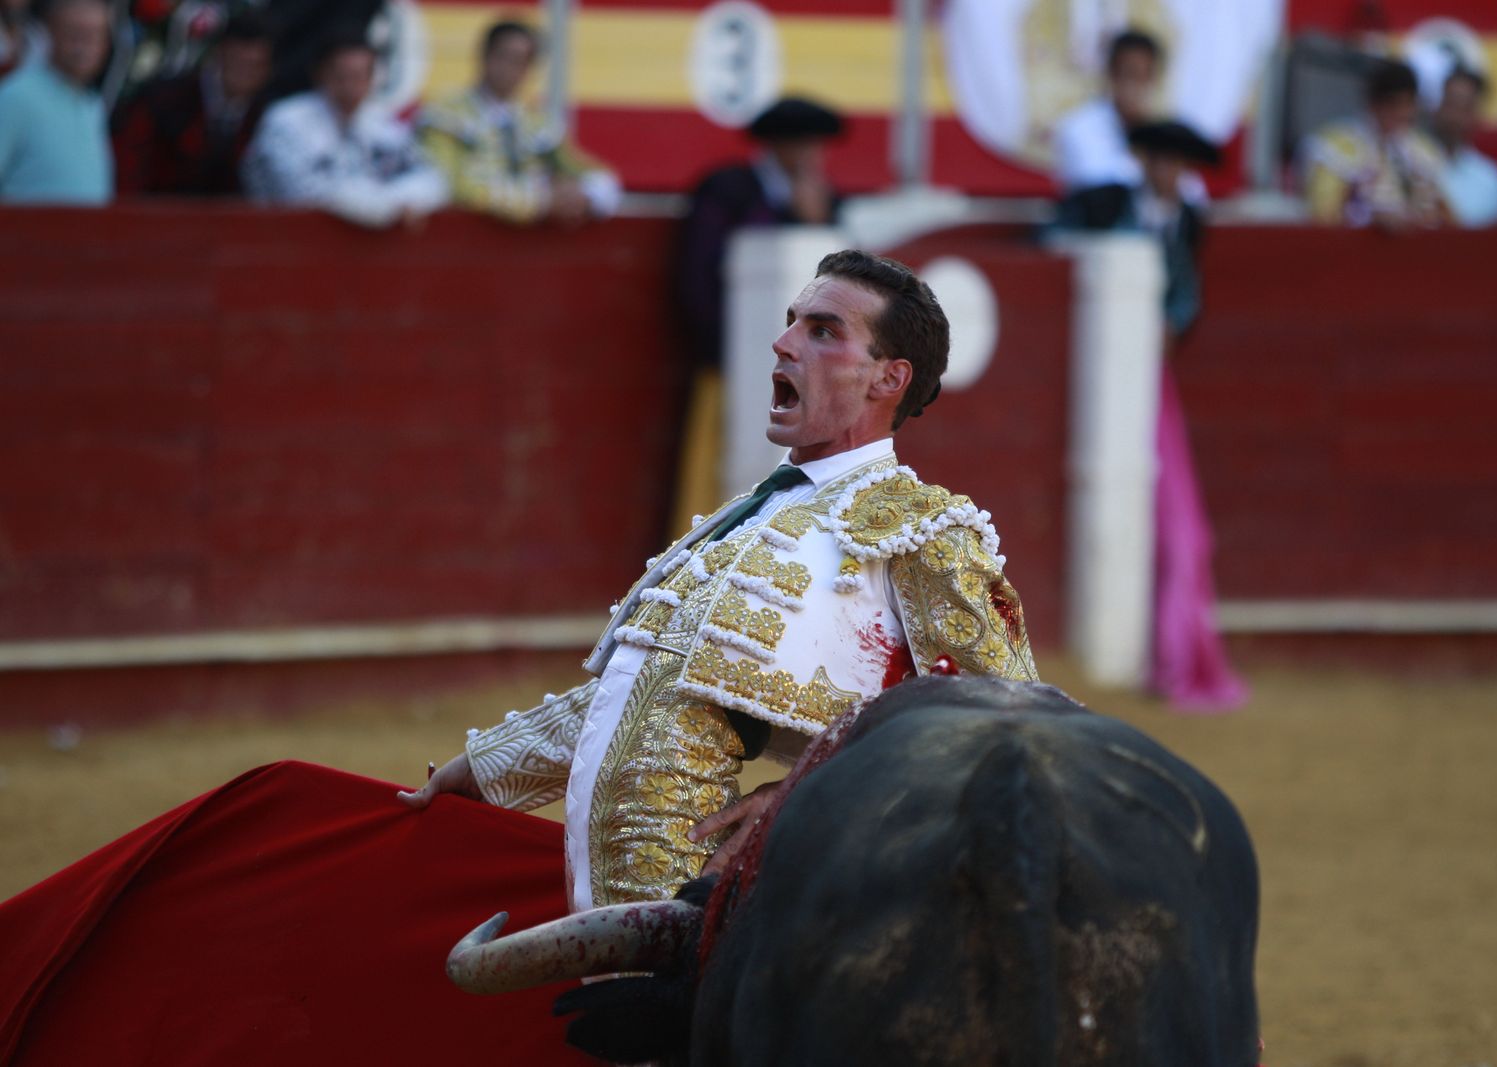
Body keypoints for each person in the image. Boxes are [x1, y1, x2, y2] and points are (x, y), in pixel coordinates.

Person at [401, 250, 1041, 912]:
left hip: (717, 912)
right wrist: (484, 767)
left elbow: (1014, 728)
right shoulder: (751, 516)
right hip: (605, 903)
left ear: (889, 377)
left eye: (824, 331)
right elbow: (644, 692)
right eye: (793, 321)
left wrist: (806, 798)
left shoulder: (921, 530)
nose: (784, 342)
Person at [1055, 121, 1247, 713]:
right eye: (1159, 160)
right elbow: (1054, 248)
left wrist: (1170, 324)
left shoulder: (1187, 221)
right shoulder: (1101, 203)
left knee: (1181, 526)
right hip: (1097, 372)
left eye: (1177, 164)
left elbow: (1187, 295)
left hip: (1149, 379)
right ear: (1142, 162)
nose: (1167, 172)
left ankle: (1172, 654)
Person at [672, 95, 846, 529]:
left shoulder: (827, 200)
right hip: (731, 360)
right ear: (776, 145)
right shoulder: (728, 191)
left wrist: (817, 224)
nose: (812, 156)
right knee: (721, 457)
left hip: (803, 373)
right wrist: (722, 354)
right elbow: (697, 277)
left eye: (816, 145)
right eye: (802, 144)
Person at [416, 19, 619, 225]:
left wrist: (584, 195)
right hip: (466, 234)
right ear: (485, 56)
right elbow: (449, 182)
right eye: (504, 56)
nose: (510, 68)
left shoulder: (536, 120)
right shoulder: (446, 112)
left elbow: (584, 170)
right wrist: (540, 202)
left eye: (521, 61)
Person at [241, 27, 446, 228]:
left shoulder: (382, 125)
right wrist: (384, 207)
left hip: (361, 243)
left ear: (372, 78)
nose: (350, 87)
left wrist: (388, 204)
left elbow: (430, 181)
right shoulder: (285, 120)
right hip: (281, 239)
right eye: (341, 76)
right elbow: (299, 191)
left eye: (359, 76)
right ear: (320, 74)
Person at [111, 11, 274, 197]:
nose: (245, 75)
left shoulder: (264, 114)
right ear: (220, 53)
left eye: (255, 66)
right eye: (239, 63)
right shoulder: (165, 98)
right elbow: (129, 168)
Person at [1052, 29, 1205, 205]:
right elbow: (1099, 185)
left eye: (1146, 76)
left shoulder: (1161, 132)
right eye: (1130, 74)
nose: (1137, 87)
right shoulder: (1077, 129)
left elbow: (1194, 192)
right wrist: (1156, 173)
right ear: (1111, 75)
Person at [1301, 59, 1449, 228]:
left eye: (1408, 104)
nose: (1402, 113)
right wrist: (1367, 218)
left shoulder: (1426, 150)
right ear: (1373, 103)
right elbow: (1322, 216)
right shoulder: (1333, 148)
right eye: (1393, 104)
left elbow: (1448, 217)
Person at [0, 0, 111, 204]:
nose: (86, 46)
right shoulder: (16, 97)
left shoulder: (92, 105)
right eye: (75, 34)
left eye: (96, 35)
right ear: (51, 33)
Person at [1428, 66, 1497, 229]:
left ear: (1477, 115)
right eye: (1451, 104)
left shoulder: (1492, 181)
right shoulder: (1407, 163)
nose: (1455, 117)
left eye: (1465, 108)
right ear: (1436, 106)